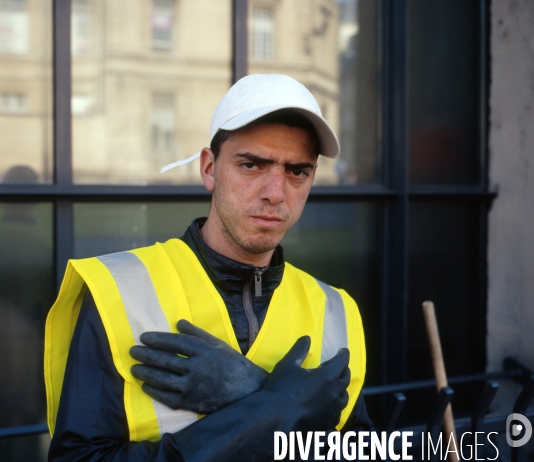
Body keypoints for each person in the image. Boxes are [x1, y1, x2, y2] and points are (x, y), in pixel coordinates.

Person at [45, 74, 372, 461]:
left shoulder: (336, 310)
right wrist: (270, 411)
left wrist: (255, 391)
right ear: (208, 168)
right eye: (251, 165)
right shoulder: (119, 291)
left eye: (296, 171)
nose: (275, 193)